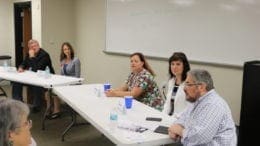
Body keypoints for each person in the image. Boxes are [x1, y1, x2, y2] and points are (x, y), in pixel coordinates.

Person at [168, 69, 237, 145]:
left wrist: (180, 131)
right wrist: (176, 127)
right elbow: (182, 118)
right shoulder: (196, 101)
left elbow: (199, 137)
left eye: (188, 84)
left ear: (201, 87)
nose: (184, 88)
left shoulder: (213, 105)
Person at [12, 39, 55, 113]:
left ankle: (37, 106)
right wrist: (21, 67)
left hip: (45, 78)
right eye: (31, 47)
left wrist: (32, 57)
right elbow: (24, 63)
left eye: (35, 46)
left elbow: (37, 70)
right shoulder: (29, 54)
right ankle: (18, 103)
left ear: (38, 46)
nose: (33, 49)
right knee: (17, 81)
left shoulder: (44, 55)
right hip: (33, 78)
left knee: (36, 85)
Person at [47, 42, 81, 119]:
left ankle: (58, 110)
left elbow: (77, 77)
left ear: (71, 49)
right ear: (63, 51)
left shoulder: (76, 60)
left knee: (55, 90)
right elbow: (62, 75)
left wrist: (68, 83)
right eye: (65, 49)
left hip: (73, 84)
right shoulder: (63, 61)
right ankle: (55, 110)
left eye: (68, 49)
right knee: (51, 90)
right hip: (65, 83)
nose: (67, 51)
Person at [162, 52, 191, 119]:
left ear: (184, 66)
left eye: (178, 64)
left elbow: (189, 108)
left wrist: (174, 118)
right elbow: (167, 104)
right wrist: (163, 116)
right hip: (170, 118)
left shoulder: (189, 84)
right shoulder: (172, 81)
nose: (174, 67)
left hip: (182, 120)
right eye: (172, 64)